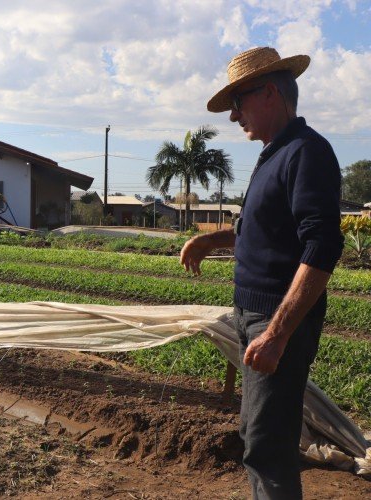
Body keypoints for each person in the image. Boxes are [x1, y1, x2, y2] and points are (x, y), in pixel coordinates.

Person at [180, 47, 344, 499]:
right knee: (256, 433)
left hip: (274, 321)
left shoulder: (306, 154)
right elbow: (264, 230)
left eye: (240, 101)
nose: (234, 116)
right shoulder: (276, 153)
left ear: (270, 92)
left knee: (267, 449)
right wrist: (210, 240)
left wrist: (275, 335)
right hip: (255, 317)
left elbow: (322, 246)